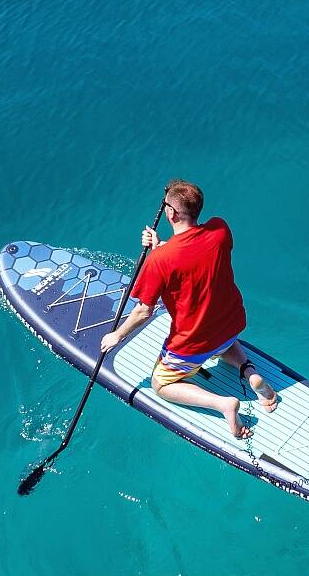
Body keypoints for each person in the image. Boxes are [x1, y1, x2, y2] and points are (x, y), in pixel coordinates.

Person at [99, 180, 277, 439]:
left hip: (193, 344)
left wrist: (117, 335)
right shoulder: (220, 230)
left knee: (160, 385)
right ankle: (249, 372)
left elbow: (143, 311)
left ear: (170, 213)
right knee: (223, 343)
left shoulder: (160, 261)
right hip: (231, 324)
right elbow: (194, 254)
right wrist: (160, 247)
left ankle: (223, 404)